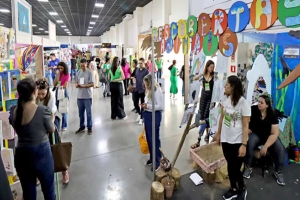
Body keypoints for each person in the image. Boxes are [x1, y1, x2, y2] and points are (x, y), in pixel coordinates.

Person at [9, 78, 56, 200]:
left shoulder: (13, 111)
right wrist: (51, 119)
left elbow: (14, 124)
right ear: (35, 91)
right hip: (41, 155)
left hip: (21, 155)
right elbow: (51, 129)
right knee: (49, 191)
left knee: (29, 194)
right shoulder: (42, 110)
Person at [212, 75, 250, 200]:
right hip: (225, 139)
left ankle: (242, 189)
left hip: (237, 141)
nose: (225, 86)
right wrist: (218, 134)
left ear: (232, 87)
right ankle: (233, 188)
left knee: (235, 167)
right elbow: (222, 118)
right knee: (230, 164)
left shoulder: (243, 103)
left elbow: (245, 126)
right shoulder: (225, 99)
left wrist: (244, 145)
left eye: (227, 84)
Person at [244, 95, 286, 186]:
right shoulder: (253, 109)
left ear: (267, 105)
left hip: (268, 136)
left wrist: (265, 146)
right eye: (258, 101)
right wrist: (246, 128)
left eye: (261, 102)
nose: (258, 104)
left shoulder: (272, 115)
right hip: (255, 134)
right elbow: (244, 118)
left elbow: (274, 134)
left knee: (280, 149)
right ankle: (248, 167)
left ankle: (278, 171)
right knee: (250, 143)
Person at [36, 78, 69, 184]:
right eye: (39, 94)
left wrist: (49, 127)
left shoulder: (51, 95)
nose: (41, 96)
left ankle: (64, 171)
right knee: (39, 151)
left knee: (56, 148)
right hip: (38, 125)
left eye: (43, 94)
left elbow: (51, 114)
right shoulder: (34, 95)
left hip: (51, 121)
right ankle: (37, 175)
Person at [141, 74, 164, 171]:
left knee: (155, 139)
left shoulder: (157, 91)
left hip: (154, 116)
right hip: (148, 115)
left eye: (147, 85)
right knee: (149, 139)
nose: (146, 87)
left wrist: (148, 106)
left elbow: (160, 106)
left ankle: (158, 161)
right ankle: (152, 158)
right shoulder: (149, 90)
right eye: (145, 85)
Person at [191, 60, 215, 149]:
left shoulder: (214, 75)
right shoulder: (203, 74)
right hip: (203, 97)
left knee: (207, 116)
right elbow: (194, 78)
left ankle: (204, 135)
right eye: (211, 67)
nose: (212, 69)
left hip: (211, 98)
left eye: (213, 67)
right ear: (207, 67)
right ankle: (203, 134)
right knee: (202, 116)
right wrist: (200, 78)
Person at [75, 59, 94, 135]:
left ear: (86, 64)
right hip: (80, 96)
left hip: (87, 96)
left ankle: (89, 127)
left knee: (88, 113)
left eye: (83, 65)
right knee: (81, 113)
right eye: (81, 65)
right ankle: (82, 126)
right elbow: (76, 81)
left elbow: (92, 84)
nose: (82, 67)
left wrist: (84, 86)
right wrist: (77, 85)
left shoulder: (89, 72)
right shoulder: (79, 72)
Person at [54, 62, 70, 131]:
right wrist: (57, 76)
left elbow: (65, 85)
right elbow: (55, 84)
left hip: (63, 92)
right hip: (58, 91)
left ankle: (64, 125)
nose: (60, 69)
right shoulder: (58, 74)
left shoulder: (67, 74)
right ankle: (56, 124)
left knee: (64, 109)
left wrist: (59, 86)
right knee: (56, 109)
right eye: (59, 68)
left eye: (61, 68)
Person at [132, 58, 149, 125]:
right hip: (136, 89)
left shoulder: (146, 71)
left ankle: (142, 118)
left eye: (141, 63)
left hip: (143, 90)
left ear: (144, 63)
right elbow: (134, 76)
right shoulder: (137, 70)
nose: (139, 64)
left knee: (142, 104)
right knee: (135, 102)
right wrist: (134, 79)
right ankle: (139, 114)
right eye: (139, 63)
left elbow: (148, 81)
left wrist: (146, 90)